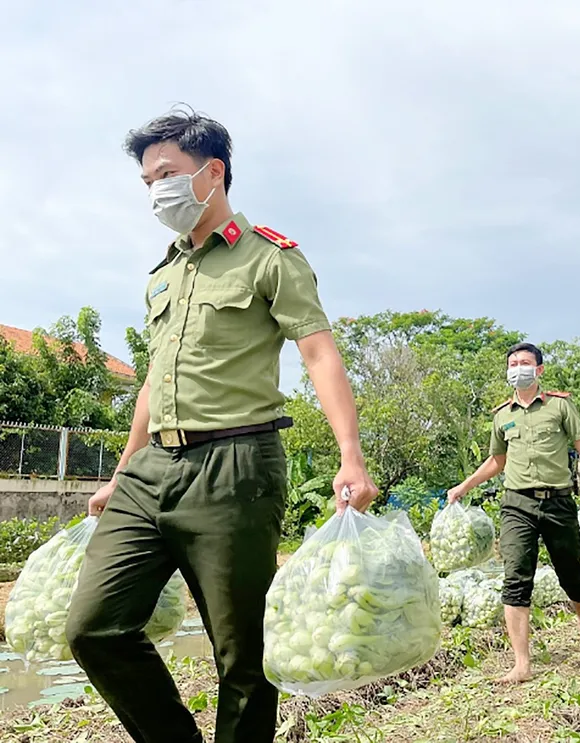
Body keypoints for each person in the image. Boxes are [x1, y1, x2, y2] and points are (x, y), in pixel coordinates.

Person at [65, 107, 378, 743]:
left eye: (167, 174)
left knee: (243, 657)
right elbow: (154, 378)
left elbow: (318, 352)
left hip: (234, 467)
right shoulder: (165, 272)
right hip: (152, 471)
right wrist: (125, 466)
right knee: (93, 628)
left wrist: (352, 454)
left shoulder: (269, 258)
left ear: (213, 172)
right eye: (148, 181)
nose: (156, 191)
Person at [447, 343, 580, 684]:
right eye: (513, 363)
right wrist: (464, 486)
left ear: (540, 370)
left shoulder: (560, 407)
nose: (518, 368)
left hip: (559, 503)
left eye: (525, 363)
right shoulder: (502, 415)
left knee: (571, 575)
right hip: (517, 504)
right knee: (516, 577)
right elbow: (496, 462)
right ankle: (521, 663)